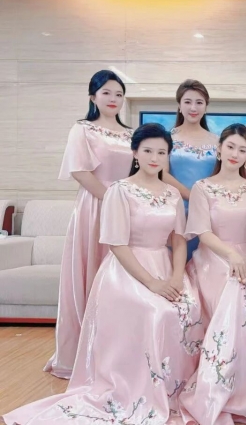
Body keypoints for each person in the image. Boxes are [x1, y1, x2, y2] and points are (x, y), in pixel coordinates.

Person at [4, 124, 203, 424]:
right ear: (135, 153)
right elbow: (117, 245)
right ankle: (137, 388)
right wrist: (152, 283)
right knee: (155, 311)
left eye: (161, 152)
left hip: (165, 266)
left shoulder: (173, 194)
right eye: (148, 151)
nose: (154, 158)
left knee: (191, 306)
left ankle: (172, 389)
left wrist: (176, 278)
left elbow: (177, 241)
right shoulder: (120, 191)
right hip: (127, 271)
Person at [179, 124, 246, 425]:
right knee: (232, 284)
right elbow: (202, 232)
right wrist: (230, 254)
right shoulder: (202, 187)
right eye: (230, 147)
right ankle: (217, 385)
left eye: (242, 150)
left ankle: (242, 385)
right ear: (219, 149)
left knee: (239, 282)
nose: (235, 153)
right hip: (212, 257)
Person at [45, 69, 133, 379]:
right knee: (92, 272)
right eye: (107, 92)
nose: (113, 99)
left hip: (126, 208)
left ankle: (119, 354)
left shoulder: (130, 134)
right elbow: (80, 172)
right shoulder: (83, 129)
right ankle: (84, 356)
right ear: (93, 96)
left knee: (122, 277)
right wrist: (111, 201)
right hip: (95, 208)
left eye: (119, 94)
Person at [163, 79, 218, 260]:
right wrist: (192, 196)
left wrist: (203, 202)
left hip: (208, 211)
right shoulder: (167, 138)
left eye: (199, 102)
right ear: (179, 105)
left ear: (206, 107)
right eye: (187, 102)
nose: (193, 108)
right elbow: (161, 173)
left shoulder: (217, 141)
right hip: (176, 209)